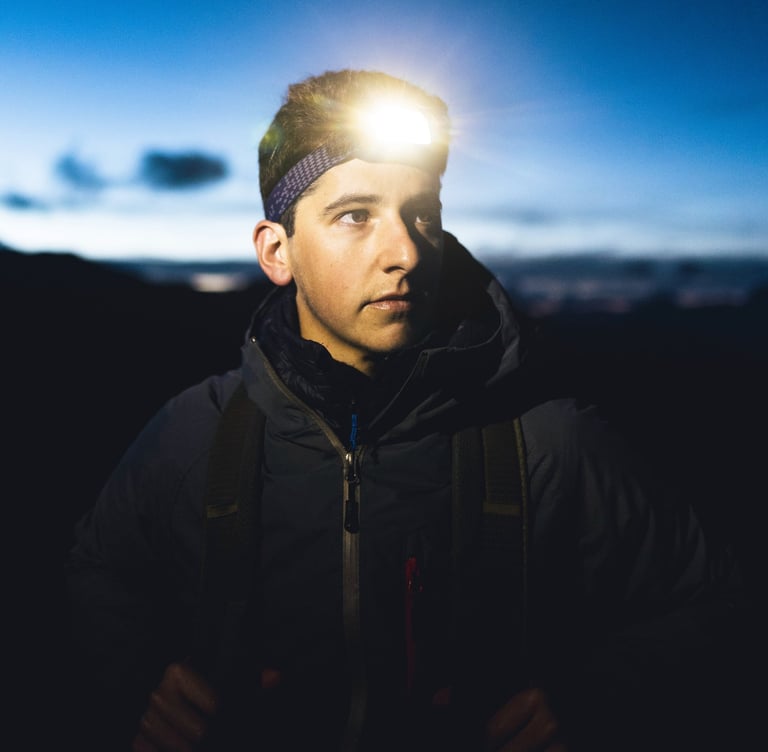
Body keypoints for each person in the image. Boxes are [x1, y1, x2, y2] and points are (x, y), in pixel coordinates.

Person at [67, 69, 743, 752]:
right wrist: (141, 675)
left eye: (422, 215)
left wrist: (595, 695)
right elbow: (93, 574)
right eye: (355, 215)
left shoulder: (549, 441)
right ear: (277, 250)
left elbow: (715, 602)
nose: (407, 251)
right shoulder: (197, 434)